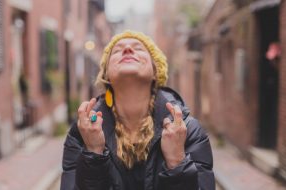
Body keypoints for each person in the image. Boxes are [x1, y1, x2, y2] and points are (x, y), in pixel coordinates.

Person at [61, 30, 215, 190]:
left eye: (139, 48)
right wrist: (93, 152)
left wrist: (177, 160)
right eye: (118, 50)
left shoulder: (187, 131)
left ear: (156, 71)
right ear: (106, 74)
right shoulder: (82, 133)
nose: (127, 49)